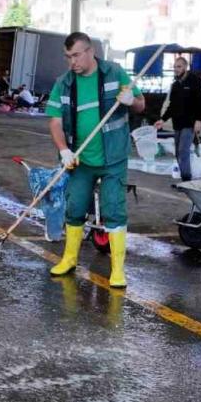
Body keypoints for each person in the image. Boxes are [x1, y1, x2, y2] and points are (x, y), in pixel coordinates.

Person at [47, 32, 145, 288]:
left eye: (76, 55)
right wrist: (63, 150)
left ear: (90, 51)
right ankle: (69, 259)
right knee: (75, 207)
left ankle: (118, 270)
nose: (72, 62)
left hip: (113, 157)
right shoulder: (64, 83)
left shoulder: (115, 73)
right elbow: (55, 121)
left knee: (114, 209)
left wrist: (130, 100)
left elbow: (141, 105)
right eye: (68, 57)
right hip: (80, 159)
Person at [155, 57, 201, 183]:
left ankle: (187, 181)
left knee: (183, 150)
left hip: (190, 123)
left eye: (179, 66)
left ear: (185, 67)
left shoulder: (195, 80)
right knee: (178, 152)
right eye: (175, 67)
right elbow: (172, 106)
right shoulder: (176, 84)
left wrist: (199, 119)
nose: (176, 69)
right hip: (178, 123)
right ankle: (185, 178)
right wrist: (163, 119)